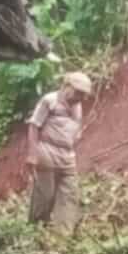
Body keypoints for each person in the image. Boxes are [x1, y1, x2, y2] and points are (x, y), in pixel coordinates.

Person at [27, 72, 92, 229]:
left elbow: (75, 128)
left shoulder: (78, 105)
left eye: (83, 94)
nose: (80, 97)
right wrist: (32, 154)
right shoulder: (49, 101)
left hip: (67, 155)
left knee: (70, 195)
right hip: (47, 151)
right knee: (45, 196)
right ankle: (36, 229)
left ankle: (62, 236)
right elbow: (34, 126)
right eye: (78, 92)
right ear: (66, 86)